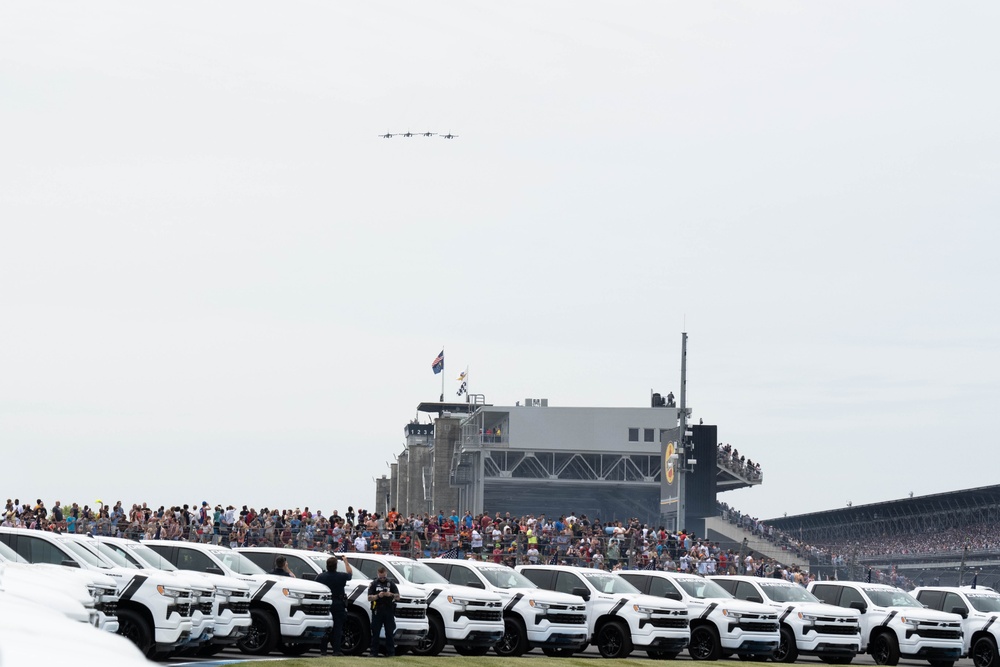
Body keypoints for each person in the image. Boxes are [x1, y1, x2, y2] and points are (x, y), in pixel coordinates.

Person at [316, 555, 353, 656]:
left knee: (325, 627)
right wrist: (345, 561)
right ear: (336, 566)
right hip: (338, 604)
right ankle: (336, 650)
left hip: (326, 603)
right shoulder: (341, 576)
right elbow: (350, 573)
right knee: (338, 628)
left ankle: (323, 650)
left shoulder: (321, 577)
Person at [367, 566, 399, 657]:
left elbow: (398, 596)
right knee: (375, 632)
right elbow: (369, 598)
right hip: (377, 609)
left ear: (386, 574)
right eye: (380, 577)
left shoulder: (391, 583)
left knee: (389, 632)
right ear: (378, 575)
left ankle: (391, 653)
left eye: (384, 577)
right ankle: (374, 652)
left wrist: (391, 594)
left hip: (388, 609)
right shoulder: (373, 584)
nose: (382, 579)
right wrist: (378, 596)